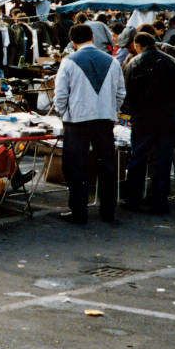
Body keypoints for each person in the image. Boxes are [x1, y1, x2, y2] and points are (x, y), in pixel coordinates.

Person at [53, 24, 127, 225]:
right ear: (93, 37)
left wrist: (64, 113)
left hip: (77, 121)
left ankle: (79, 212)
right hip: (104, 119)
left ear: (73, 42)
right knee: (107, 166)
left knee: (76, 167)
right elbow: (121, 93)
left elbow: (60, 95)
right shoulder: (112, 62)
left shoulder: (68, 62)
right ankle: (108, 211)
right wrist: (112, 110)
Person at [121, 32, 175, 214]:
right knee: (163, 159)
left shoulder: (134, 63)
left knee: (138, 158)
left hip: (144, 118)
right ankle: (160, 202)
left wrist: (132, 113)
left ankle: (133, 199)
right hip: (169, 117)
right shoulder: (170, 61)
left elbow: (128, 93)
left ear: (137, 45)